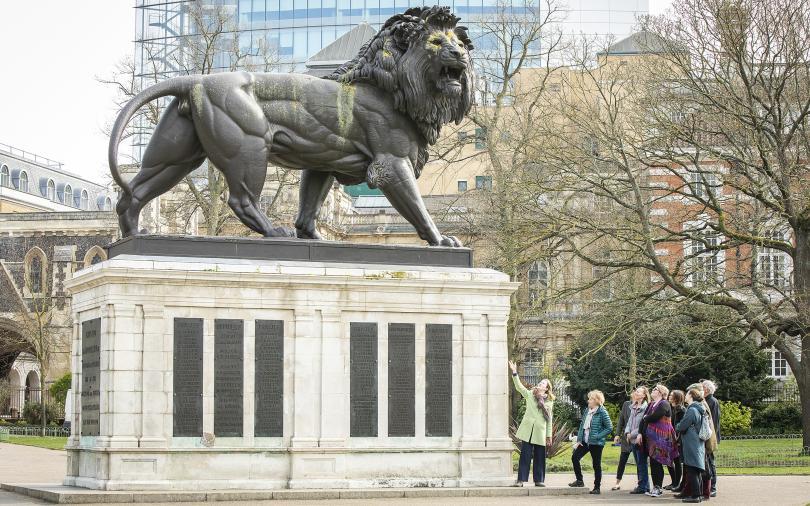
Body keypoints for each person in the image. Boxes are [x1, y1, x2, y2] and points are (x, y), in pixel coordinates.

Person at [508, 360, 554, 487]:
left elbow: (549, 419)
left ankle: (539, 480)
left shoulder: (549, 402)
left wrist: (549, 436)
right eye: (540, 382)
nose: (540, 383)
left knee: (540, 456)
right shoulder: (530, 395)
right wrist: (514, 372)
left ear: (546, 388)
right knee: (525, 455)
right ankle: (521, 480)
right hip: (528, 430)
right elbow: (519, 387)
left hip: (540, 431)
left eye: (543, 383)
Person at [569, 390, 613, 495]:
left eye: (591, 399)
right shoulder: (587, 410)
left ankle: (597, 487)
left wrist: (597, 436)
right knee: (575, 457)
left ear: (597, 401)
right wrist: (579, 439)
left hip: (596, 443)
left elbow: (609, 427)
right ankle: (579, 481)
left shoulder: (602, 412)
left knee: (596, 465)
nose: (588, 401)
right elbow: (582, 425)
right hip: (584, 441)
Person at [639, 384, 679, 497]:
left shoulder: (664, 403)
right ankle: (655, 487)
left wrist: (646, 417)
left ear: (661, 393)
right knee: (653, 462)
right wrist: (640, 433)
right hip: (651, 438)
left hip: (663, 438)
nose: (653, 390)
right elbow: (644, 420)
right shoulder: (651, 404)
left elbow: (654, 417)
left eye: (655, 389)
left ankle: (659, 488)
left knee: (657, 461)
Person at [675, 385, 707, 503]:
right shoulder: (698, 408)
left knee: (692, 469)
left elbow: (682, 426)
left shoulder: (692, 410)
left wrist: (677, 426)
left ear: (691, 396)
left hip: (691, 443)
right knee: (696, 469)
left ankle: (695, 496)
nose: (686, 395)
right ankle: (698, 495)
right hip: (696, 443)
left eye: (687, 394)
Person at [625, 386, 650, 495]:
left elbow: (643, 424)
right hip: (632, 439)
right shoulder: (633, 406)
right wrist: (627, 432)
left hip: (640, 440)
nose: (636, 392)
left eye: (638, 391)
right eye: (636, 391)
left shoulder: (646, 408)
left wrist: (632, 434)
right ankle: (644, 485)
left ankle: (643, 486)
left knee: (642, 464)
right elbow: (629, 422)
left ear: (644, 395)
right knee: (638, 464)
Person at [612, 392, 634, 491]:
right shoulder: (626, 404)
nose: (633, 393)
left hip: (637, 437)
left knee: (640, 462)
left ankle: (642, 484)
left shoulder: (645, 406)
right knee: (622, 460)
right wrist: (617, 434)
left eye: (636, 392)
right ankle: (617, 483)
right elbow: (621, 420)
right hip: (626, 437)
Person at [702, 379, 720, 497]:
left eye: (702, 387)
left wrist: (710, 437)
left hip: (710, 437)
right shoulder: (706, 401)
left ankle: (713, 487)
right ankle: (707, 486)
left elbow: (714, 422)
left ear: (707, 390)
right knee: (707, 461)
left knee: (710, 461)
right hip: (708, 436)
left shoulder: (712, 401)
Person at [667, 390, 686, 492]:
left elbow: (680, 427)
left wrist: (677, 440)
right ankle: (674, 482)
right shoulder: (672, 408)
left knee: (677, 462)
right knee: (670, 461)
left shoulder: (681, 410)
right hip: (671, 439)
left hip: (677, 440)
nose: (669, 397)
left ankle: (676, 483)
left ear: (677, 398)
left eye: (671, 395)